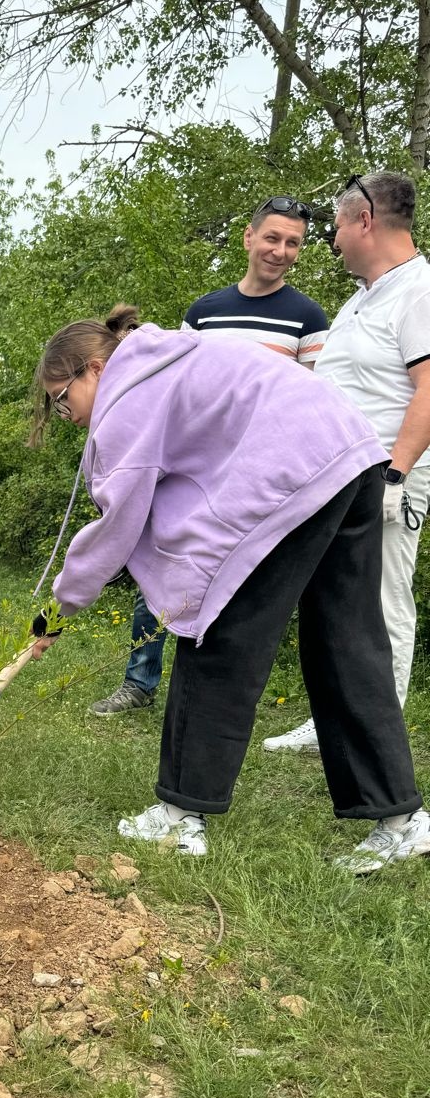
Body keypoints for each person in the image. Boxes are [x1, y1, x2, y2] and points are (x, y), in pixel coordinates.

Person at [33, 306, 430, 872]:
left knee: (215, 632)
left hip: (295, 473)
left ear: (94, 368)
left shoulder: (129, 395)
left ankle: (178, 819)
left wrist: (59, 608)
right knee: (348, 642)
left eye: (61, 397)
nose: (65, 413)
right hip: (353, 456)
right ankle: (401, 820)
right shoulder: (174, 355)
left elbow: (117, 522)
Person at [90, 196, 328, 715]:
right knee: (157, 562)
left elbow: (310, 405)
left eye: (293, 243)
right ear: (248, 237)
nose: (281, 251)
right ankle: (139, 682)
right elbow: (173, 388)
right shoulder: (204, 312)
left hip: (259, 477)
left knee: (243, 582)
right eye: (273, 238)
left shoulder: (308, 318)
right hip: (193, 467)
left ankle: (217, 692)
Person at [264, 171, 430, 754]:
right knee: (335, 599)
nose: (331, 239)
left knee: (383, 601)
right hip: (340, 477)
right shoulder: (364, 297)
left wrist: (396, 474)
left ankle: (375, 734)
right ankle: (330, 721)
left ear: (365, 220)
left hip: (387, 478)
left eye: (335, 225)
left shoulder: (420, 290)